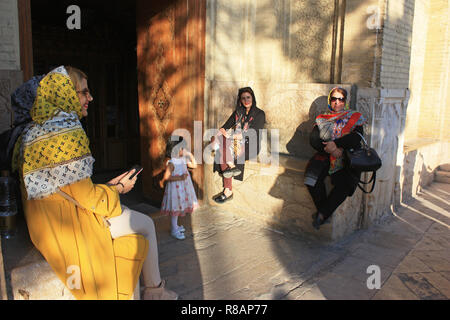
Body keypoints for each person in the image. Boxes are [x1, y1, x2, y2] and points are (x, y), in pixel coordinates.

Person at [12, 66, 178, 300]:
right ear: (66, 92)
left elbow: (68, 188)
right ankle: (155, 292)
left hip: (45, 228)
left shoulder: (33, 131)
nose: (90, 98)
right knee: (144, 225)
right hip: (70, 227)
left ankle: (154, 291)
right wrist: (119, 190)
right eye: (84, 92)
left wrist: (108, 187)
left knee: (134, 226)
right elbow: (88, 199)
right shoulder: (66, 133)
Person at [304, 87, 366, 230]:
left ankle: (321, 215)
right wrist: (330, 149)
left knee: (344, 185)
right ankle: (324, 212)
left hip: (347, 157)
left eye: (341, 99)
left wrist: (337, 146)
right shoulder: (322, 118)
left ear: (345, 101)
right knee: (311, 179)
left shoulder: (355, 117)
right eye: (334, 99)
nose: (337, 102)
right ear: (329, 101)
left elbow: (356, 137)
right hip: (325, 155)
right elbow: (314, 138)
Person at [212, 87, 266, 203]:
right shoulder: (238, 113)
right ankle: (231, 167)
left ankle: (228, 190)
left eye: (248, 97)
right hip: (236, 143)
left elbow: (252, 133)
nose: (246, 100)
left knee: (222, 150)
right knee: (217, 138)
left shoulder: (259, 114)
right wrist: (220, 132)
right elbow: (225, 126)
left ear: (252, 98)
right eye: (243, 98)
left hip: (250, 146)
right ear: (240, 100)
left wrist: (231, 137)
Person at [159, 136, 198, 240]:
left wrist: (190, 155)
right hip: (175, 190)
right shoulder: (171, 163)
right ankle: (174, 229)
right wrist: (180, 177)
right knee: (175, 208)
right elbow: (166, 177)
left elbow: (194, 165)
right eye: (182, 148)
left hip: (183, 188)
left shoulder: (183, 159)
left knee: (180, 206)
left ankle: (175, 226)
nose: (184, 150)